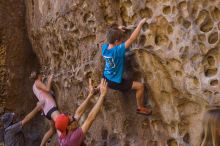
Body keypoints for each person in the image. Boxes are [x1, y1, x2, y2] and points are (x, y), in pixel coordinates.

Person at [101, 18, 152, 115]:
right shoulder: (118, 51)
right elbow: (132, 39)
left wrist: (118, 30)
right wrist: (140, 24)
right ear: (116, 42)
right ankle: (140, 107)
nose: (122, 42)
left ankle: (101, 86)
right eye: (120, 40)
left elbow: (108, 38)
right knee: (140, 86)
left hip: (105, 77)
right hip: (115, 82)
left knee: (108, 77)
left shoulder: (104, 48)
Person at [54, 79, 108, 146]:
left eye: (71, 116)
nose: (74, 118)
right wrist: (102, 95)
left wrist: (90, 95)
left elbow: (78, 113)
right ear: (68, 127)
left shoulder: (64, 130)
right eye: (72, 119)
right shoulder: (72, 139)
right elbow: (90, 119)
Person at [30, 71, 60, 146]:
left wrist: (42, 81)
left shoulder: (34, 86)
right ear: (39, 75)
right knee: (60, 124)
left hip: (46, 111)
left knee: (52, 130)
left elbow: (42, 93)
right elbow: (47, 89)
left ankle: (42, 145)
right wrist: (50, 79)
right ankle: (65, 142)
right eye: (41, 75)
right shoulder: (37, 82)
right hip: (51, 108)